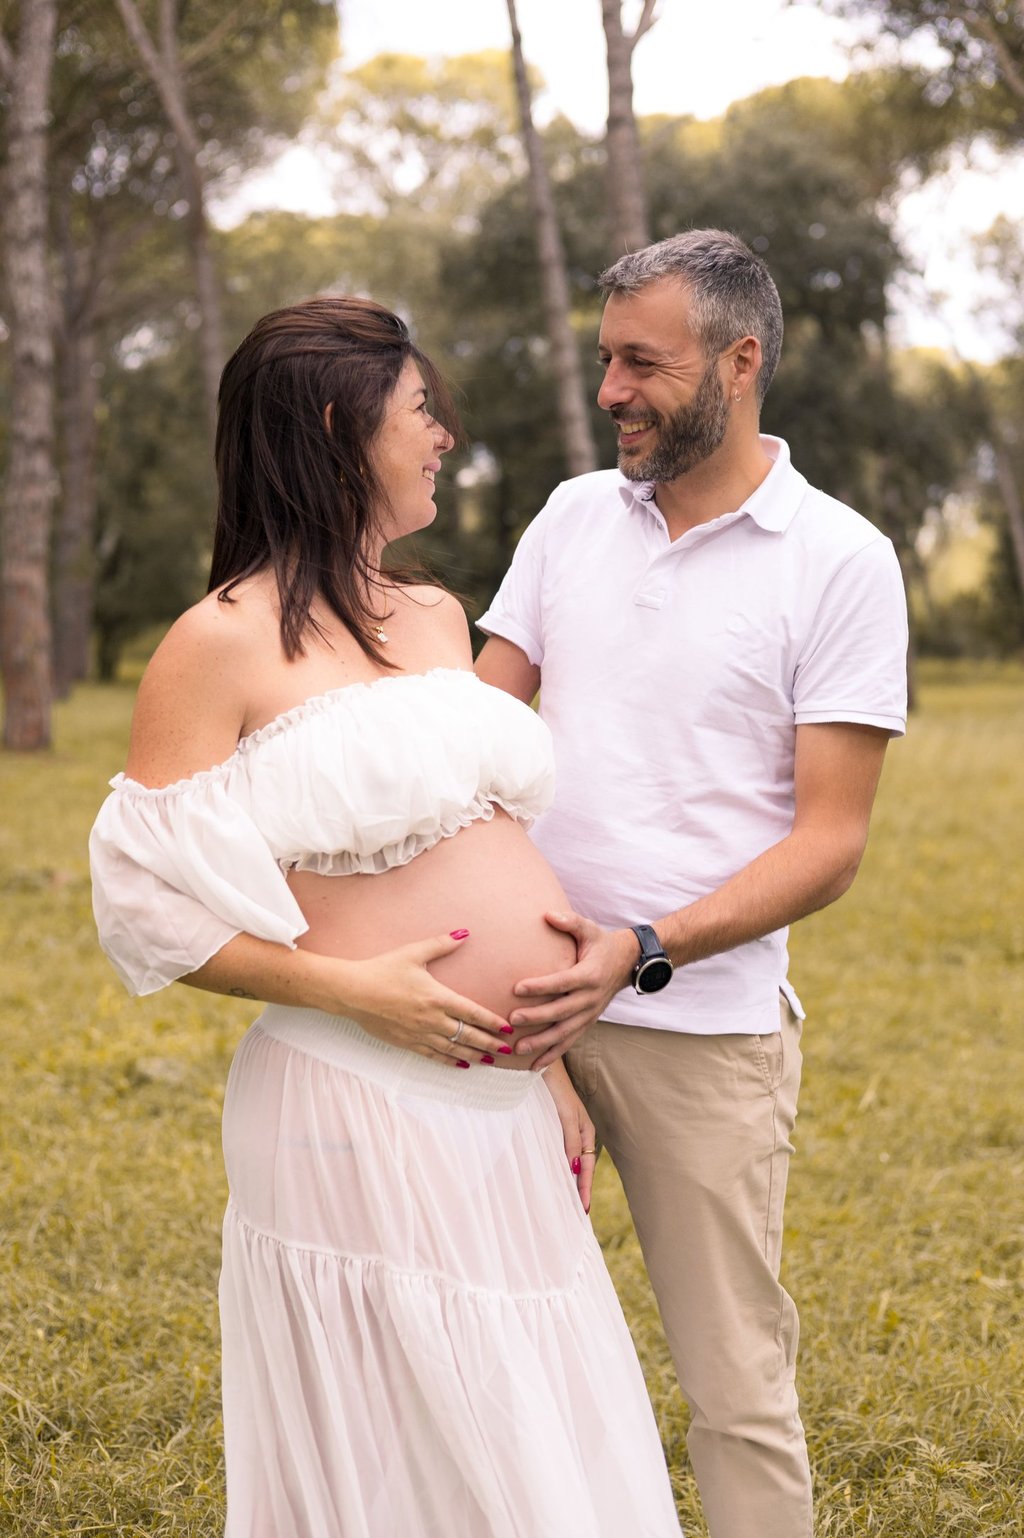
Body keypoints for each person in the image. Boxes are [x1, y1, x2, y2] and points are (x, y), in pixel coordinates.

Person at [88, 297, 683, 1538]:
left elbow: (486, 837)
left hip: (501, 1097)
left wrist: (553, 1069)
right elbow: (145, 906)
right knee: (392, 1438)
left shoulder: (433, 615)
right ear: (335, 424)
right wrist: (351, 990)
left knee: (526, 1415)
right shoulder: (218, 643)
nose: (444, 436)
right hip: (346, 1095)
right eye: (422, 411)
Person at [475, 229, 909, 1538]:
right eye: (604, 359)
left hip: (701, 1035)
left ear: (741, 360)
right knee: (485, 1349)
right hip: (513, 1008)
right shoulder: (564, 519)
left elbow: (830, 841)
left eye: (641, 363)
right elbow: (476, 750)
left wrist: (643, 945)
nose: (611, 390)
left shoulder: (840, 561)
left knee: (736, 1387)